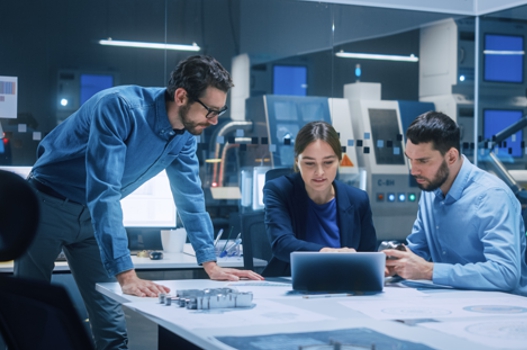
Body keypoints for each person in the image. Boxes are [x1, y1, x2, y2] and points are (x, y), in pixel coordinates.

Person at [15, 55, 263, 349]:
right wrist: (127, 273)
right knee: (29, 312)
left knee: (111, 324)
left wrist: (210, 263)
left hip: (93, 221)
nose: (213, 121)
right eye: (210, 110)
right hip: (46, 204)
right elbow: (104, 190)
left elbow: (190, 198)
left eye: (219, 112)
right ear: (182, 96)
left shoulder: (185, 135)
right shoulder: (119, 107)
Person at [383, 111, 527, 296]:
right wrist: (396, 261)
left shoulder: (492, 196)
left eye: (423, 161)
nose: (413, 170)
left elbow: (505, 274)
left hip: (503, 305)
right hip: (451, 298)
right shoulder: (431, 190)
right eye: (410, 159)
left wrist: (429, 271)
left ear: (451, 157)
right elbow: (419, 250)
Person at [262, 121, 378, 277]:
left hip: (345, 288)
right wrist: (328, 253)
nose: (320, 172)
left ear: (339, 160)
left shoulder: (358, 199)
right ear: (297, 161)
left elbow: (368, 256)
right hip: (294, 285)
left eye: (328, 162)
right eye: (310, 163)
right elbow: (282, 244)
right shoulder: (279, 190)